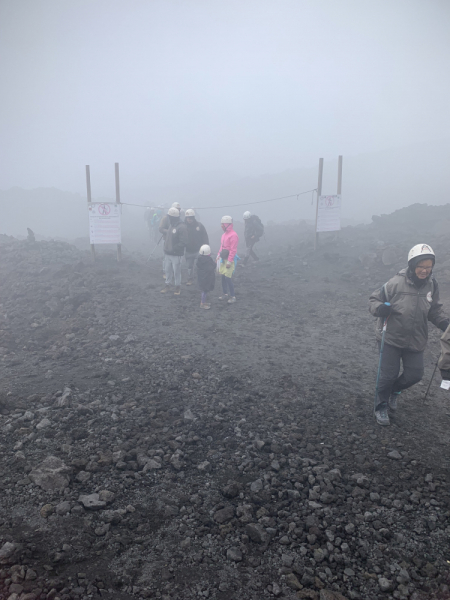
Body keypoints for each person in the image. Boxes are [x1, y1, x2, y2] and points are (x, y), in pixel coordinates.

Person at [369, 244, 449, 426]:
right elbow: (374, 300)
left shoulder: (432, 285)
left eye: (429, 266)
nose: (425, 270)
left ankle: (393, 391)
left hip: (416, 340)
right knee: (388, 375)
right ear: (413, 265)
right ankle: (380, 406)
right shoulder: (395, 283)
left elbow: (434, 310)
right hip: (390, 338)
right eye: (421, 266)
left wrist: (445, 324)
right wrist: (380, 308)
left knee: (415, 375)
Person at [160, 208, 188, 295]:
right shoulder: (171, 225)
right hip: (168, 253)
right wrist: (166, 248)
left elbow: (184, 242)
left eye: (169, 216)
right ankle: (167, 285)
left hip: (176, 254)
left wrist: (174, 248)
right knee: (168, 270)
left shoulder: (182, 227)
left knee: (176, 271)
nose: (168, 218)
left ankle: (177, 287)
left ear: (173, 217)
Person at [217, 216, 239, 304]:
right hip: (223, 259)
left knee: (228, 278)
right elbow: (221, 247)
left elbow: (233, 250)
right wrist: (218, 256)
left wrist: (229, 261)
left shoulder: (233, 235)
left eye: (223, 224)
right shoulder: (224, 235)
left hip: (230, 260)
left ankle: (233, 296)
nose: (222, 226)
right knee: (223, 276)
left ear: (227, 224)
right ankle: (225, 294)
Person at [184, 209, 209, 286]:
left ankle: (200, 279)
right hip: (188, 251)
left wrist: (206, 247)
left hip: (199, 250)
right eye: (188, 218)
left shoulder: (199, 226)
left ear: (194, 217)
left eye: (191, 217)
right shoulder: (183, 226)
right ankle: (190, 279)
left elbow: (205, 236)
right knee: (189, 267)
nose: (189, 219)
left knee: (200, 266)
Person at [197, 244, 216, 310]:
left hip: (201, 278)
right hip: (207, 278)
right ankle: (202, 303)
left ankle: (204, 302)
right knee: (204, 291)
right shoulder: (209, 260)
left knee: (204, 290)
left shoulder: (199, 259)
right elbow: (212, 267)